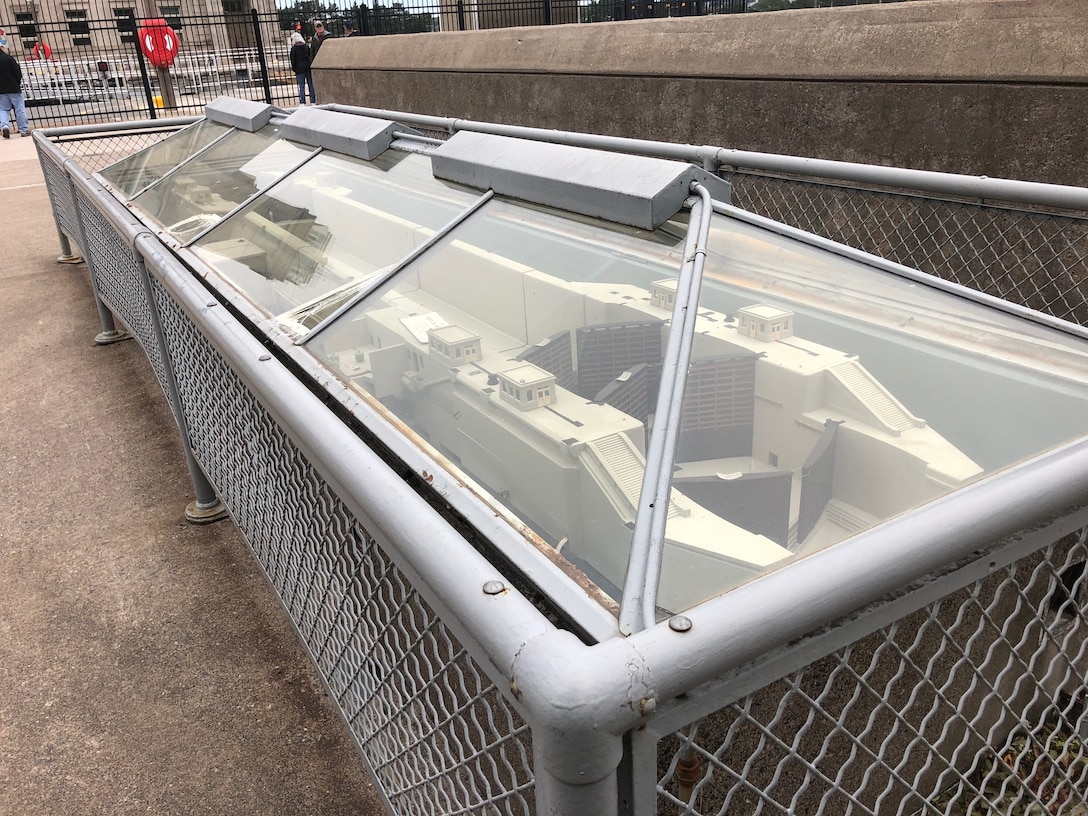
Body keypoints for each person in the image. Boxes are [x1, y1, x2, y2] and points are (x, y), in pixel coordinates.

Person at [0, 45, 30, 139]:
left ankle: (4, 126)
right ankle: (23, 130)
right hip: (13, 87)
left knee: (3, 109)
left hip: (1, 90)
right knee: (19, 109)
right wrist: (17, 82)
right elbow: (17, 73)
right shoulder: (9, 58)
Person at [289, 32, 314, 106]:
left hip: (299, 69)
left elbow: (293, 60)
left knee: (301, 86)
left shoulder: (294, 49)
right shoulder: (306, 47)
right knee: (311, 85)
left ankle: (302, 102)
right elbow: (310, 56)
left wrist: (294, 69)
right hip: (307, 67)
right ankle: (313, 100)